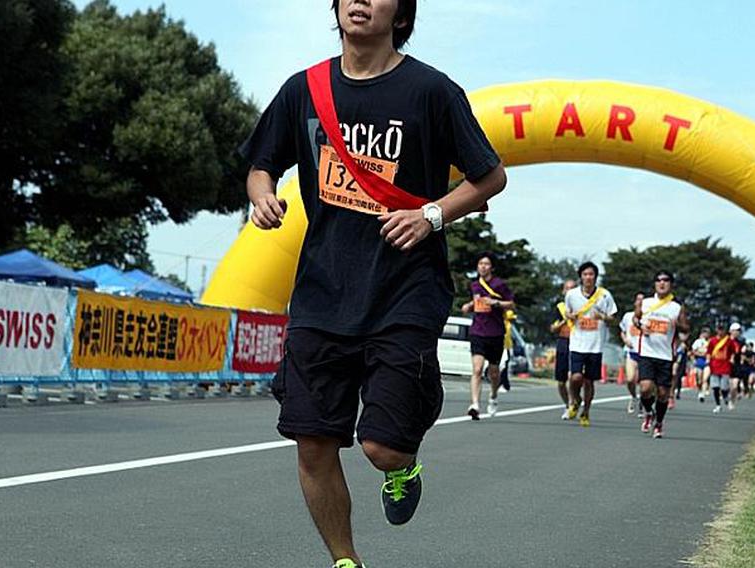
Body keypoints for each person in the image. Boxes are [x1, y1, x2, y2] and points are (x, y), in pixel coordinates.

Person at [239, 2, 507, 565]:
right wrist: (261, 194)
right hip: (321, 292)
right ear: (336, 8)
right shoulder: (303, 89)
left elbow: (490, 176)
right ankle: (345, 560)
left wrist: (431, 215)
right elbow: (261, 162)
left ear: (401, 12)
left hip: (404, 290)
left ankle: (404, 461)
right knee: (312, 442)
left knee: (380, 447)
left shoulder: (431, 90)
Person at [635, 270, 689, 438]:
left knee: (663, 393)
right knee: (645, 388)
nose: (662, 283)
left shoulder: (676, 307)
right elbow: (635, 319)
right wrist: (639, 326)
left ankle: (659, 422)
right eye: (658, 280)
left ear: (670, 284)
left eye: (665, 280)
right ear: (655, 284)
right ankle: (648, 412)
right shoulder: (646, 303)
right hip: (646, 352)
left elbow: (686, 328)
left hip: (665, 355)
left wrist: (678, 325)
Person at [461, 253, 516, 419]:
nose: (483, 267)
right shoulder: (474, 285)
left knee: (493, 372)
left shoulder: (499, 284)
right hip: (477, 331)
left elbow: (512, 304)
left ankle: (493, 396)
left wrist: (496, 303)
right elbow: (470, 305)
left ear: (491, 267)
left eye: (486, 264)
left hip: (496, 333)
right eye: (480, 264)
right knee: (477, 369)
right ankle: (475, 404)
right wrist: (469, 306)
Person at [565, 261, 617, 427]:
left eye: (591, 274)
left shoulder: (605, 295)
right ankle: (575, 400)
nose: (588, 277)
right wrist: (571, 316)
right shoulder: (572, 294)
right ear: (580, 276)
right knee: (575, 377)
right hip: (577, 343)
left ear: (595, 277)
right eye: (585, 274)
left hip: (595, 345)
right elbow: (567, 313)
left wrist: (603, 317)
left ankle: (586, 411)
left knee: (589, 381)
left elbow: (613, 318)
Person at [551, 279, 578, 419]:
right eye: (567, 288)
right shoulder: (559, 307)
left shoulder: (583, 307)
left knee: (572, 376)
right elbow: (552, 328)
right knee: (561, 381)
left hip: (578, 343)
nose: (569, 291)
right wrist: (564, 320)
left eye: (572, 288)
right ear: (563, 291)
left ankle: (574, 403)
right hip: (563, 342)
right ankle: (567, 404)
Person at [619, 292, 646, 415]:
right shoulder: (628, 316)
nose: (640, 302)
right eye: (638, 300)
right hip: (631, 352)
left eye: (643, 300)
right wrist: (625, 340)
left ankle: (642, 402)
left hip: (645, 353)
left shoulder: (649, 317)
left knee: (643, 382)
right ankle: (634, 397)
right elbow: (623, 331)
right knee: (630, 379)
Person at [706, 323, 740, 413]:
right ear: (717, 330)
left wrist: (732, 359)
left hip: (725, 367)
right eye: (719, 329)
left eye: (722, 329)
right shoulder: (712, 341)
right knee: (715, 387)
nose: (720, 331)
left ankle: (726, 399)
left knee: (724, 387)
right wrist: (708, 361)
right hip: (714, 366)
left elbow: (733, 351)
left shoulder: (728, 341)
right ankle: (718, 405)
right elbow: (709, 352)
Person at [691, 327, 711, 403]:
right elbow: (693, 351)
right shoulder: (698, 342)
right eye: (704, 332)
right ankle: (700, 391)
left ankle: (702, 394)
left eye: (707, 333)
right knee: (699, 380)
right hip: (699, 361)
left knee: (705, 379)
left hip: (707, 363)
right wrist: (700, 354)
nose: (706, 334)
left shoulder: (711, 342)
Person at [729, 322, 747, 405]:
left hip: (736, 365)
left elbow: (743, 353)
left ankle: (732, 401)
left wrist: (742, 358)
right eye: (735, 330)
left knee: (735, 385)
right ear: (731, 331)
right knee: (727, 385)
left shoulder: (741, 341)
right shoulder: (726, 341)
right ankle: (726, 396)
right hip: (726, 365)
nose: (737, 332)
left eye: (738, 331)